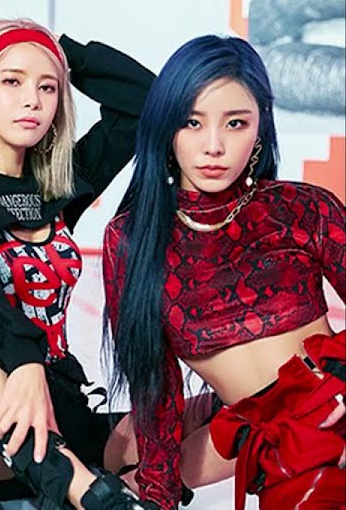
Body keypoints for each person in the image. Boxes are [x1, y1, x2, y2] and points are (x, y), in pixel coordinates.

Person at [0, 18, 159, 510]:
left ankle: (101, 481)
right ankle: (91, 494)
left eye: (47, 87)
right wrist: (25, 364)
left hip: (60, 400)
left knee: (220, 410)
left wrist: (66, 54)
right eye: (12, 81)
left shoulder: (57, 185)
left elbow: (147, 103)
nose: (32, 100)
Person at [102, 35, 345, 510]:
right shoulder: (132, 239)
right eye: (192, 122)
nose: (213, 146)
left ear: (260, 128)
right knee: (116, 462)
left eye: (235, 123)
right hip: (258, 435)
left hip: (330, 417)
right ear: (166, 128)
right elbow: (156, 387)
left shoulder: (301, 208)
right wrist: (158, 494)